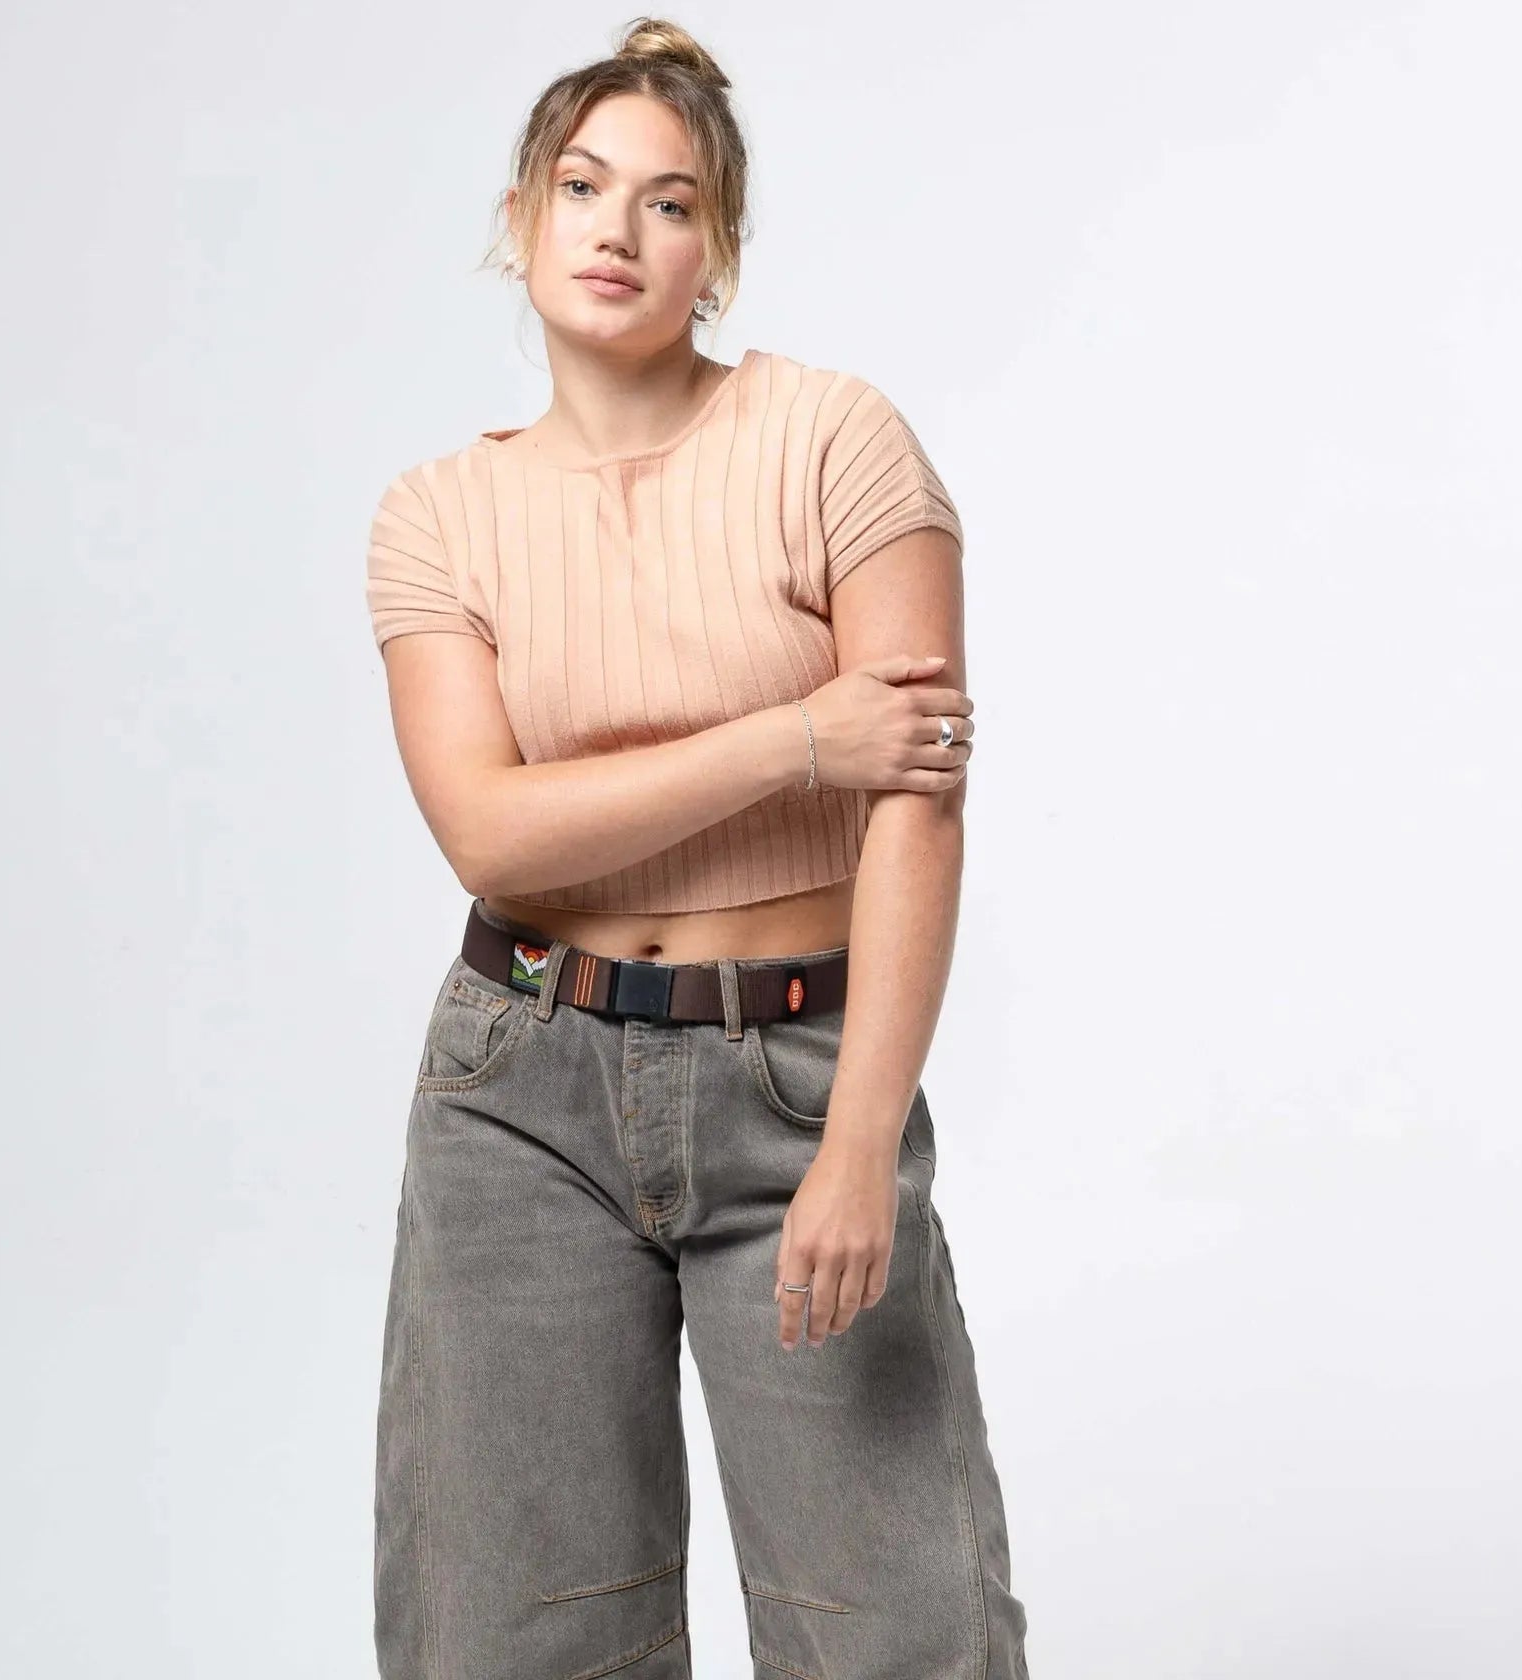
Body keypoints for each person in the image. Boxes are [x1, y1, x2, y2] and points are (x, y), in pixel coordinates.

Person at [363, 18, 1031, 1679]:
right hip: (520, 1090)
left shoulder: (832, 439)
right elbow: (486, 826)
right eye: (583, 187)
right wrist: (796, 738)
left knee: (900, 1633)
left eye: (669, 204)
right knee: (514, 1642)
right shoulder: (438, 517)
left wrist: (861, 1139)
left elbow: (918, 801)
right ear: (522, 217)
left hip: (798, 1075)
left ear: (716, 250)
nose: (618, 230)